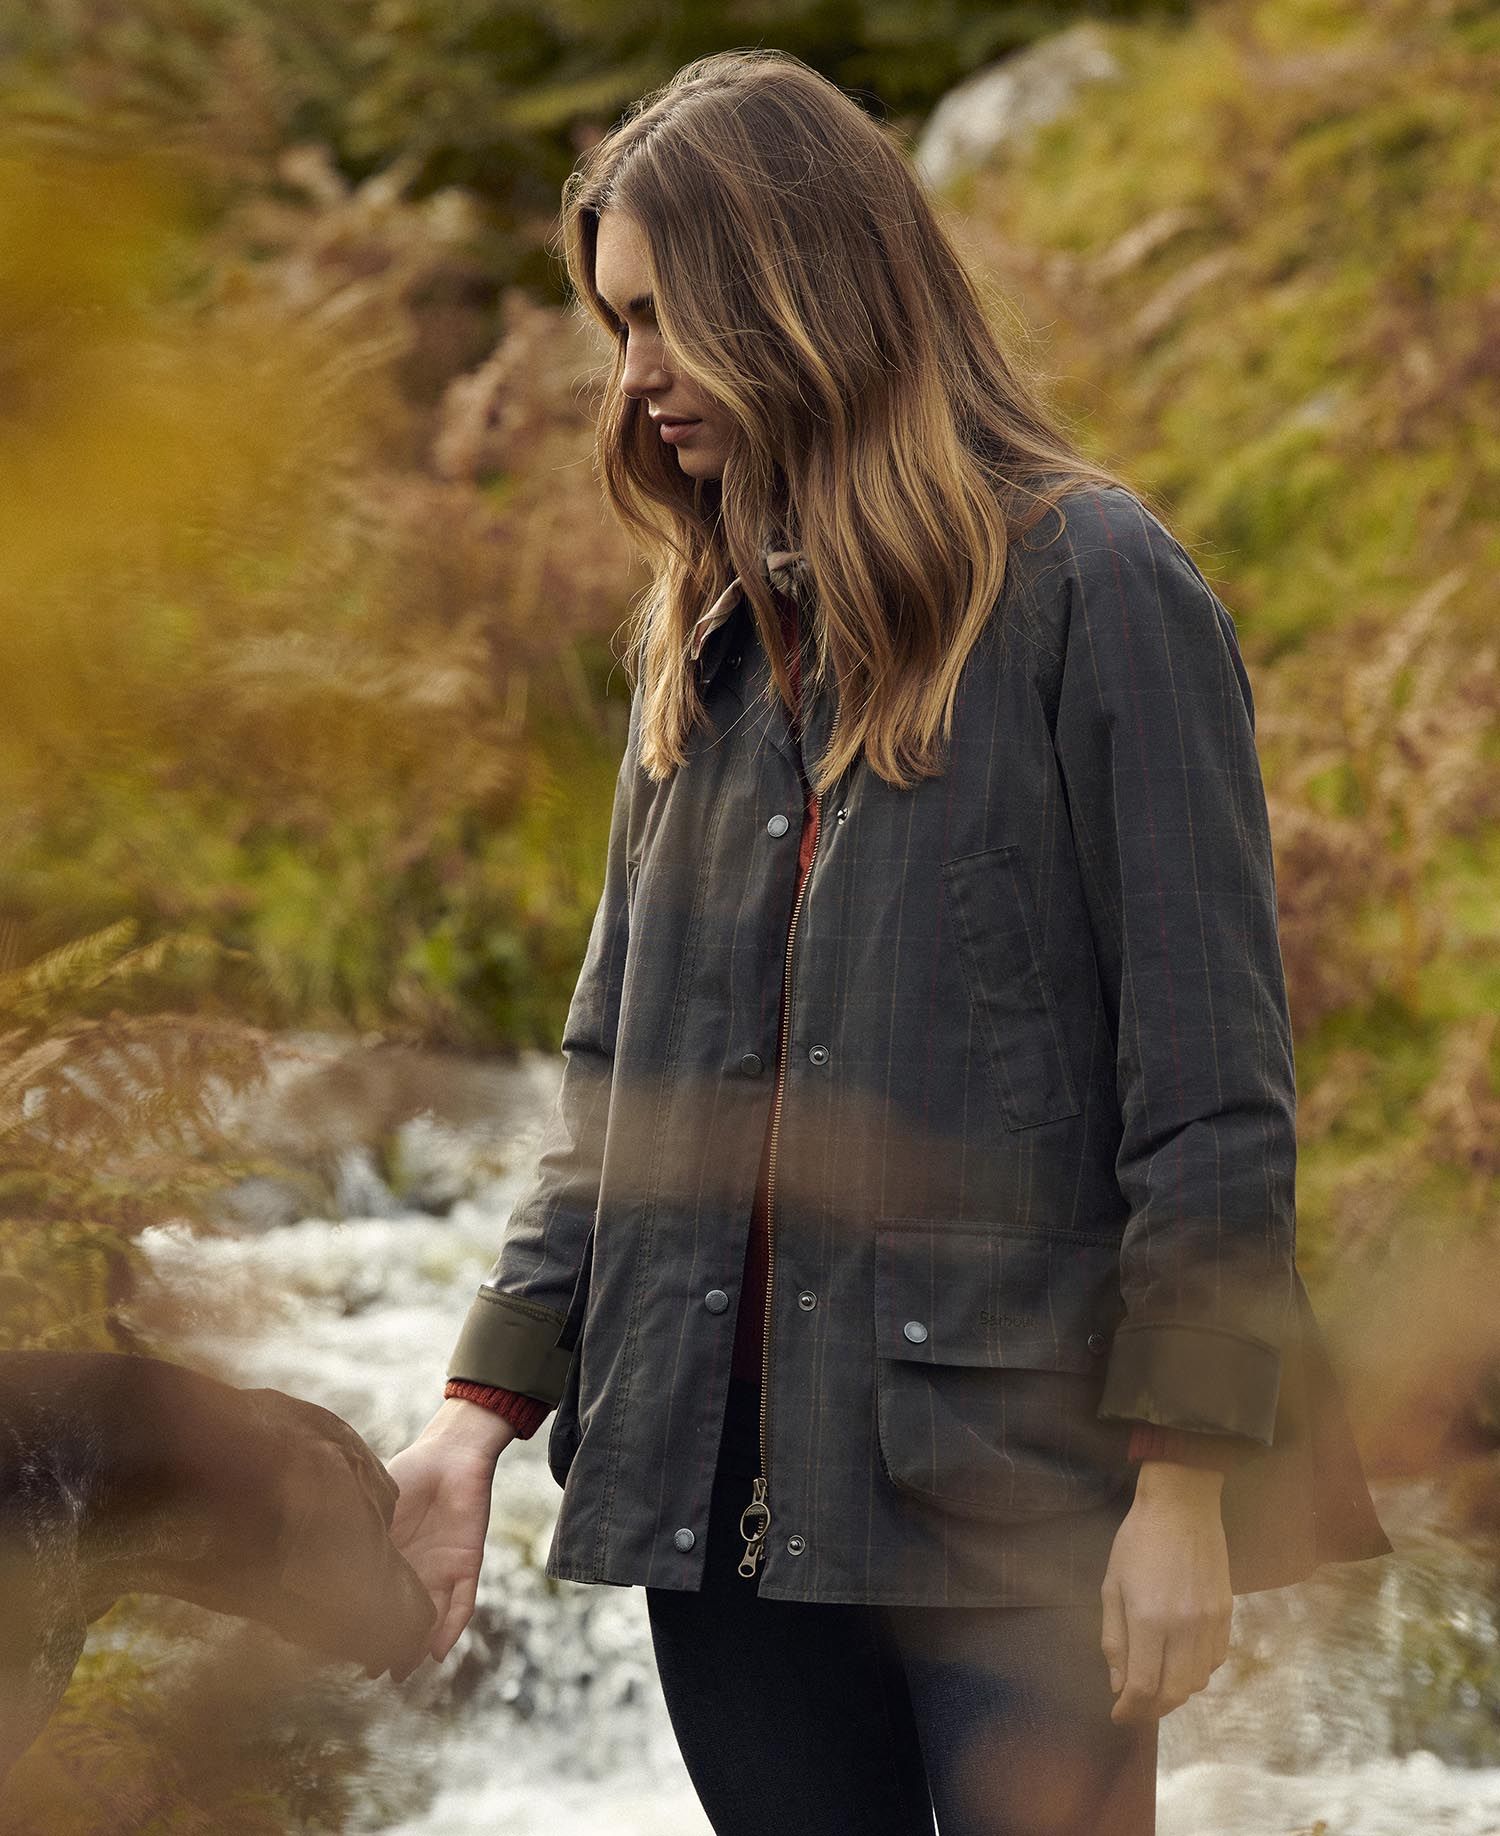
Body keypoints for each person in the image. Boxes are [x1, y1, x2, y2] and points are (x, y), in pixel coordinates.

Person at [385, 47, 1392, 1835]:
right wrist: (480, 1410)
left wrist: (1184, 1488)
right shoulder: (703, 642)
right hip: (716, 1505)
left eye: (663, 319)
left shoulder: (1098, 586)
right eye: (617, 326)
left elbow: (1210, 1097)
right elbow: (618, 1087)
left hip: (1019, 1506)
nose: (635, 377)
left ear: (799, 289)